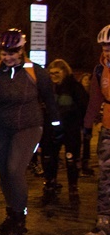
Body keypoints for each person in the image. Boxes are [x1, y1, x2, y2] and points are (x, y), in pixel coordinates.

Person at [0, 29, 60, 235]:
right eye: (4, 53)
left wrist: (56, 125)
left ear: (22, 50)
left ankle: (20, 216)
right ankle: (11, 213)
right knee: (4, 171)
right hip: (0, 128)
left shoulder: (35, 72)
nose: (8, 57)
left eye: (12, 52)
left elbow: (50, 100)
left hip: (29, 126)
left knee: (15, 168)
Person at [41, 58, 88, 205]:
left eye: (57, 72)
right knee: (48, 157)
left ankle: (73, 186)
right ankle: (50, 181)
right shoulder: (46, 88)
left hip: (70, 129)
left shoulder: (74, 87)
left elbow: (83, 106)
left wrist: (80, 125)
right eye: (51, 73)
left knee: (71, 159)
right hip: (50, 129)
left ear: (64, 72)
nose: (54, 75)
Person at [82, 25, 110, 235]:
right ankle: (105, 223)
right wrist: (87, 125)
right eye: (104, 46)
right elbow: (95, 99)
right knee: (106, 176)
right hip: (108, 128)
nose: (107, 50)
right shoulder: (100, 70)